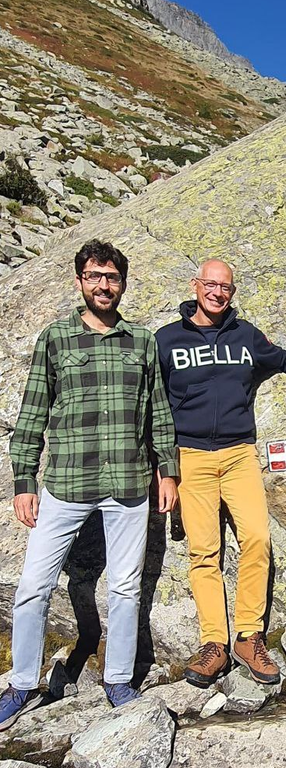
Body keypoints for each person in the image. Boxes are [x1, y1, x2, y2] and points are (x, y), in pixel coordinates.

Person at [2, 240, 179, 728]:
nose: (104, 285)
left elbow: (158, 412)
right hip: (66, 483)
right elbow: (33, 413)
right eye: (95, 276)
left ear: (123, 283)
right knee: (33, 586)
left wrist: (168, 470)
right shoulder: (56, 338)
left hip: (128, 482)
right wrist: (24, 480)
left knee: (125, 588)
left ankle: (117, 679)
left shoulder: (141, 341)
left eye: (112, 277)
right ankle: (22, 683)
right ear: (80, 281)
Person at [156, 259, 286, 688]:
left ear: (232, 292)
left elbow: (285, 359)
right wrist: (164, 470)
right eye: (210, 284)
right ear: (195, 286)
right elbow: (152, 404)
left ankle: (249, 638)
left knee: (257, 538)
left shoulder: (245, 335)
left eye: (226, 287)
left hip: (238, 454)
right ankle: (213, 643)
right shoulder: (166, 339)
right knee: (204, 552)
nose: (217, 293)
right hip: (190, 456)